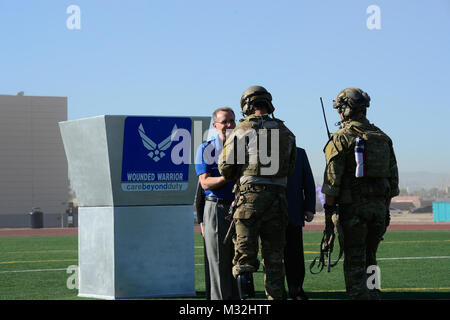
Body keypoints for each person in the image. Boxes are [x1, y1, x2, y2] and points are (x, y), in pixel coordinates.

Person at [219, 85, 297, 300]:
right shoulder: (286, 132)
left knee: (244, 259)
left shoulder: (242, 130)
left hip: (249, 200)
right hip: (278, 200)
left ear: (247, 105)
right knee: (274, 260)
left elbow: (225, 168)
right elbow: (290, 168)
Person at [321, 87, 399, 300]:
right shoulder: (383, 138)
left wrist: (328, 212)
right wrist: (384, 208)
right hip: (378, 211)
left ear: (345, 109)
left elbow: (331, 182)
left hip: (352, 210)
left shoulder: (341, 137)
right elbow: (392, 183)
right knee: (371, 257)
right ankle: (373, 294)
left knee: (355, 259)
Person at [194, 107, 239, 300]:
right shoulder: (206, 149)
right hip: (217, 207)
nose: (229, 125)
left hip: (239, 208)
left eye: (232, 121)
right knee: (219, 262)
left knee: (240, 260)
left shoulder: (243, 147)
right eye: (225, 122)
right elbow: (205, 182)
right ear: (215, 125)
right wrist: (227, 178)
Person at [285, 147, 316, 300]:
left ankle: (296, 290)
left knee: (295, 256)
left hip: (293, 213)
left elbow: (308, 181)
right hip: (268, 215)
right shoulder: (259, 151)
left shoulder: (299, 153)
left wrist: (309, 208)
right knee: (270, 257)